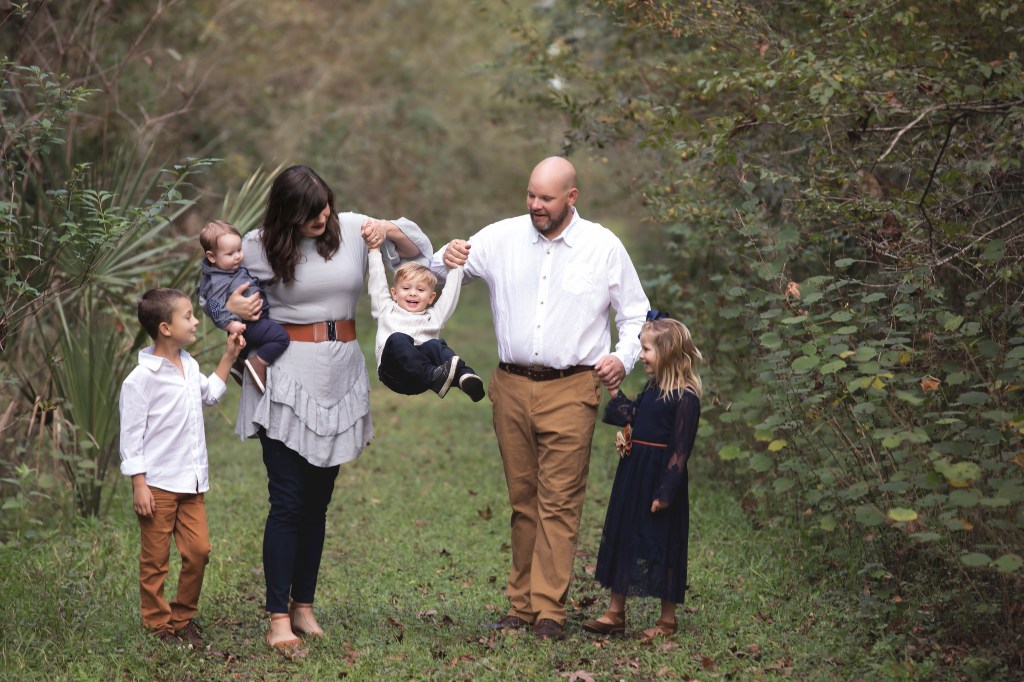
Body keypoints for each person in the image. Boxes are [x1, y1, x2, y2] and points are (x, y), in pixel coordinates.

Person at [434, 156, 650, 640]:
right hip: (510, 385)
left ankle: (549, 609)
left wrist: (623, 357)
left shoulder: (603, 246)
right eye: (530, 194)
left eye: (546, 198)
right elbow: (441, 272)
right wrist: (441, 257)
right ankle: (520, 606)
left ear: (572, 197)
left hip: (573, 387)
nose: (535, 205)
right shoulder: (500, 237)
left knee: (559, 501)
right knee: (523, 500)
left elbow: (635, 314)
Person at [223, 165, 431, 651]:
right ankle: (277, 616)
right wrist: (230, 305)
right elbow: (215, 287)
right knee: (288, 500)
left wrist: (392, 230)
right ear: (286, 213)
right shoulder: (256, 245)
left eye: (325, 207)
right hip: (285, 376)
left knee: (317, 501)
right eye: (310, 212)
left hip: (340, 374)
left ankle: (304, 606)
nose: (322, 217)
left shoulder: (355, 229)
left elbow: (422, 256)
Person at [118, 288, 245, 646]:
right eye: (188, 316)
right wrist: (138, 483)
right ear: (165, 328)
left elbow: (208, 394)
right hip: (157, 485)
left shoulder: (188, 365)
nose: (194, 322)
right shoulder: (140, 380)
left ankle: (183, 615)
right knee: (155, 559)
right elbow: (131, 437)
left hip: (191, 482)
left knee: (199, 551)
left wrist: (228, 357)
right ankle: (158, 623)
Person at [581, 315, 702, 642]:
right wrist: (615, 391)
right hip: (634, 473)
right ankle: (615, 613)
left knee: (663, 542)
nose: (641, 355)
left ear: (669, 352)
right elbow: (632, 415)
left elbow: (680, 449)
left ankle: (667, 621)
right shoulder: (652, 389)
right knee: (626, 534)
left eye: (646, 349)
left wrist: (666, 491)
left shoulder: (686, 397)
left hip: (659, 477)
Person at [365, 234, 484, 401]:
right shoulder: (386, 308)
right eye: (406, 288)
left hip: (420, 380)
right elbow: (377, 279)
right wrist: (374, 249)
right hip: (393, 373)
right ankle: (434, 376)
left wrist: (457, 265)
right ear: (394, 293)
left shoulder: (433, 317)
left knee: (436, 345)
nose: (413, 293)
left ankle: (465, 378)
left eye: (420, 290)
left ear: (430, 298)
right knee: (398, 339)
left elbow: (450, 294)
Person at [196, 219, 290, 393]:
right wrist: (231, 324)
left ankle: (240, 362)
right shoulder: (217, 281)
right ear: (211, 257)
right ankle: (259, 363)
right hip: (249, 324)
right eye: (230, 253)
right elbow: (214, 305)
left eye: (239, 250)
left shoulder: (229, 268)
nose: (238, 256)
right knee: (281, 337)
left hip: (253, 319)